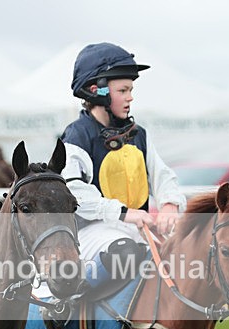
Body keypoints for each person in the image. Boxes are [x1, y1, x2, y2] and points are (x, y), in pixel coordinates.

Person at [60, 43, 186, 286]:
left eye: (131, 90)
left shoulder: (139, 135)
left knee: (181, 258)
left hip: (135, 230)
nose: (130, 97)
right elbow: (73, 192)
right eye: (123, 90)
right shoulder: (77, 136)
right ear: (97, 91)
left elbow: (162, 175)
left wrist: (170, 204)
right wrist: (123, 213)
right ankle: (69, 298)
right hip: (91, 234)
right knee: (125, 254)